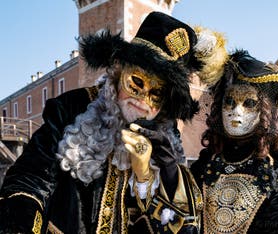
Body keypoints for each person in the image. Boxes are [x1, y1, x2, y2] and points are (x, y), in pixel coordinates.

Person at [0, 12, 226, 234]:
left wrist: (158, 172)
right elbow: (30, 180)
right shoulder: (71, 107)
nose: (142, 100)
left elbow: (181, 223)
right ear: (119, 70)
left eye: (156, 94)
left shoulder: (166, 134)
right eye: (136, 83)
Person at [191, 50, 278, 233]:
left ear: (265, 112)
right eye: (229, 102)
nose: (236, 112)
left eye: (248, 103)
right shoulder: (207, 159)